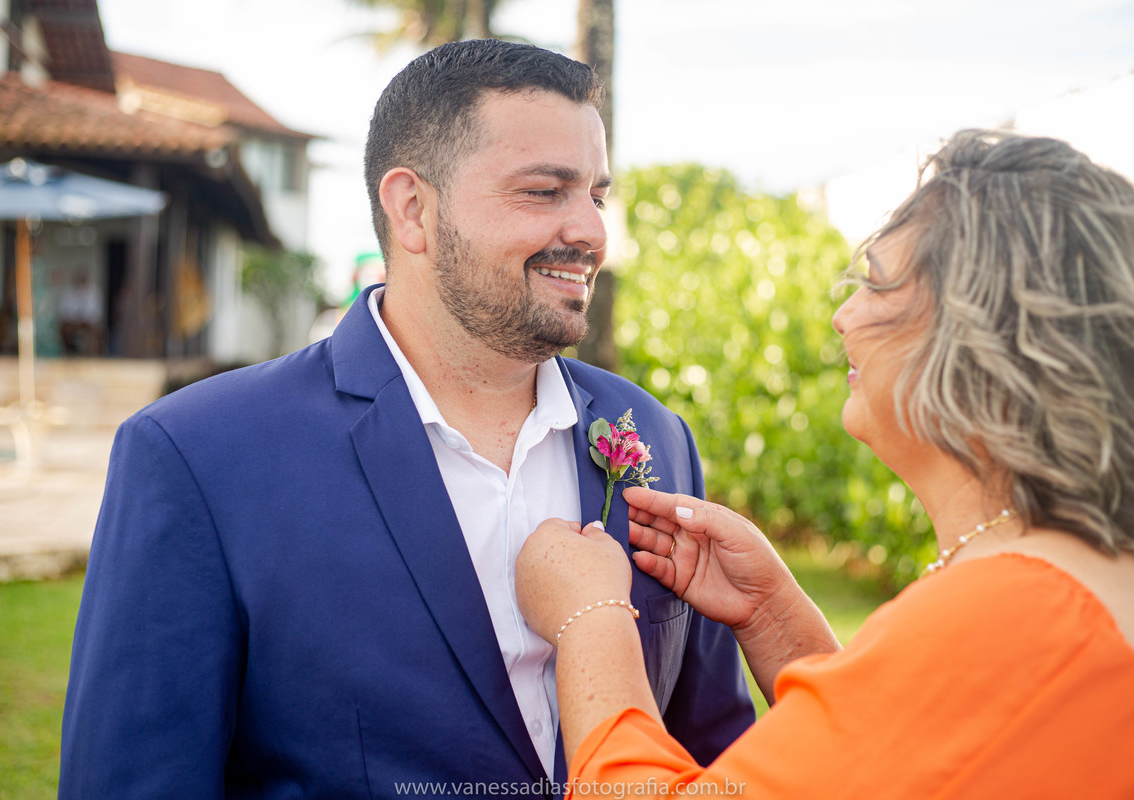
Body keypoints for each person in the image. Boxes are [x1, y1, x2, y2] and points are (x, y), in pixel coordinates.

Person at [59, 40, 754, 798]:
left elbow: (717, 753)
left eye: (596, 193)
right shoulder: (198, 456)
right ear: (413, 209)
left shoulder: (654, 437)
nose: (589, 230)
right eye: (545, 192)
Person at [516, 129, 1134, 798]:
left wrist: (591, 616)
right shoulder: (1114, 575)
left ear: (983, 336)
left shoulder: (1016, 613)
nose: (842, 316)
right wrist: (774, 619)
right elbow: (931, 763)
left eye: (877, 284)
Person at [57, 271, 102, 355]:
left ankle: (94, 354)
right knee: (63, 328)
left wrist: (85, 319)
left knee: (98, 331)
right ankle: (67, 353)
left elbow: (96, 312)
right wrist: (74, 319)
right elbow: (64, 311)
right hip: (72, 321)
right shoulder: (68, 291)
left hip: (88, 322)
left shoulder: (94, 291)